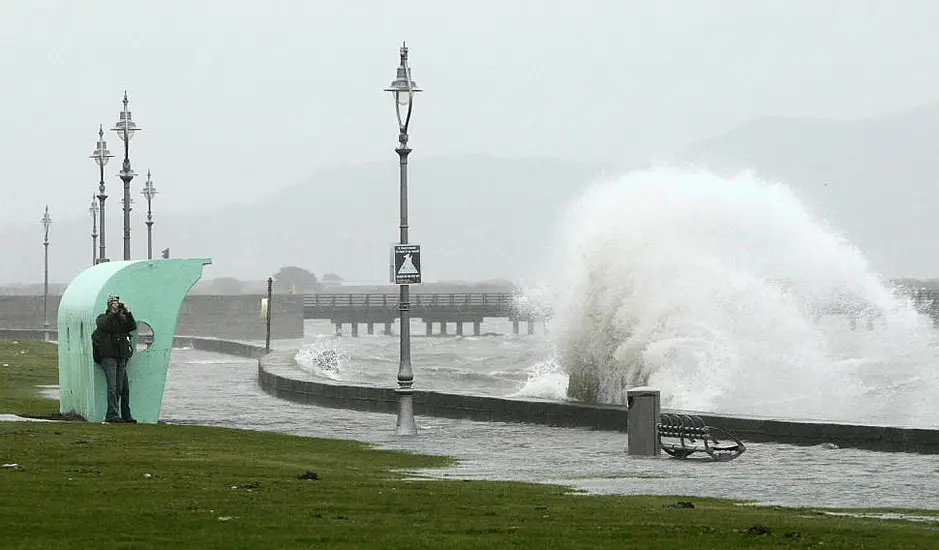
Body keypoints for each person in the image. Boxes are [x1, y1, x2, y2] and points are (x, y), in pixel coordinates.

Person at [95, 295, 138, 423]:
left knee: (120, 387)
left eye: (117, 303)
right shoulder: (102, 318)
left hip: (121, 356)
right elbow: (105, 326)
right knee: (112, 387)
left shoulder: (122, 319)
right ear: (108, 306)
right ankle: (112, 415)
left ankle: (118, 414)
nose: (115, 305)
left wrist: (128, 312)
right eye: (113, 303)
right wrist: (113, 314)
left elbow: (132, 326)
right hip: (108, 357)